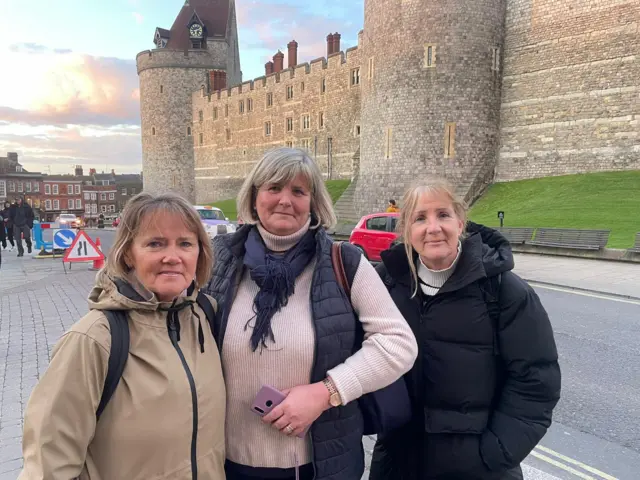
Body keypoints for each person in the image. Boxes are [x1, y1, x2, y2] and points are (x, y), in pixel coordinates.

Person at [205, 147, 418, 480]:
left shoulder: (344, 262)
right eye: (274, 188)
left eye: (299, 191)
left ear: (314, 202)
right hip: (224, 463)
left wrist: (326, 392)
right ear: (254, 196)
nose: (285, 200)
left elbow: (398, 344)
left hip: (316, 467)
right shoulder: (219, 259)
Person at [19, 192, 226, 480]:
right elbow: (48, 462)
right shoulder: (94, 339)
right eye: (155, 243)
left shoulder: (205, 315)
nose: (172, 256)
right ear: (128, 253)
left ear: (199, 253)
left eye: (185, 244)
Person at [369, 178, 561, 480]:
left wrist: (493, 454)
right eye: (420, 218)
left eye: (443, 215)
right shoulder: (385, 283)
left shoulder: (504, 290)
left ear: (461, 222)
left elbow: (535, 382)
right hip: (399, 462)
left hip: (477, 468)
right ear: (407, 229)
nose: (433, 228)